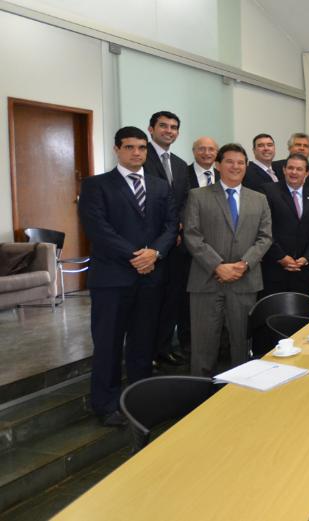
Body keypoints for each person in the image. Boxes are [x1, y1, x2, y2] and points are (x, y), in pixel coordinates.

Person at [79, 126, 178, 425]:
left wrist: (155, 253)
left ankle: (139, 398)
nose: (136, 153)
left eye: (142, 148)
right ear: (117, 149)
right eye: (129, 147)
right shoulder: (96, 185)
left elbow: (171, 226)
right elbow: (98, 229)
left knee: (143, 343)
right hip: (112, 279)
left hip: (150, 278)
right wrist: (137, 256)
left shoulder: (160, 186)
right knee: (108, 344)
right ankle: (106, 405)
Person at [183, 143, 273, 377]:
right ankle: (200, 393)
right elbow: (192, 235)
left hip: (245, 281)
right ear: (218, 165)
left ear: (246, 166)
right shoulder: (198, 196)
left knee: (242, 344)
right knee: (203, 345)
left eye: (241, 162)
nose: (235, 166)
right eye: (230, 162)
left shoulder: (259, 199)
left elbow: (265, 237)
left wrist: (244, 264)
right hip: (206, 282)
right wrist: (217, 266)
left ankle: (240, 391)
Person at [154, 136, 220, 369]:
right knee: (182, 299)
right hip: (187, 248)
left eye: (211, 149)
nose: (206, 153)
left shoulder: (223, 174)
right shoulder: (183, 172)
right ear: (194, 151)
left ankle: (214, 345)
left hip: (218, 248)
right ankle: (185, 344)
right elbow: (177, 204)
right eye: (201, 149)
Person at [259, 153, 309, 297]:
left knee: (302, 310)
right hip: (274, 269)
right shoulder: (268, 191)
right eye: (290, 168)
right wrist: (281, 257)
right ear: (284, 170)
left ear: (307, 173)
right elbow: (264, 229)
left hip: (303, 270)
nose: (294, 172)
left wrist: (306, 257)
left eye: (299, 169)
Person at [271, 132, 309, 199]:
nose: (302, 148)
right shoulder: (275, 167)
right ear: (289, 148)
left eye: (306, 146)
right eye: (298, 145)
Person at [144, 111, 188, 188]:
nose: (168, 131)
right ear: (151, 129)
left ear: (177, 133)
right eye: (163, 126)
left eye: (173, 127)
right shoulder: (140, 156)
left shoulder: (181, 165)